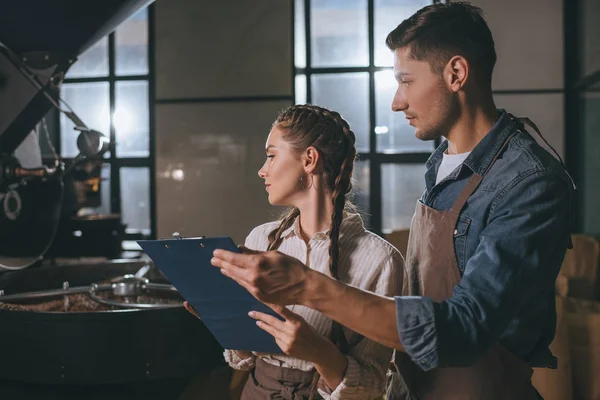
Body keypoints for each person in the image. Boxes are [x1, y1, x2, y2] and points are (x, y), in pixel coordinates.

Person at [211, 2, 576, 399]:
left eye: (406, 81)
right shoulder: (441, 164)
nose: (396, 102)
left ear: (456, 73)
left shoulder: (529, 182)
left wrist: (307, 287)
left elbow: (466, 328)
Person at [187, 104, 405, 399]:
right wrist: (222, 320)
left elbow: (374, 386)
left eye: (271, 155)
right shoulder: (260, 240)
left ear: (309, 159)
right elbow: (246, 359)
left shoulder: (381, 260)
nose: (262, 170)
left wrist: (317, 350)